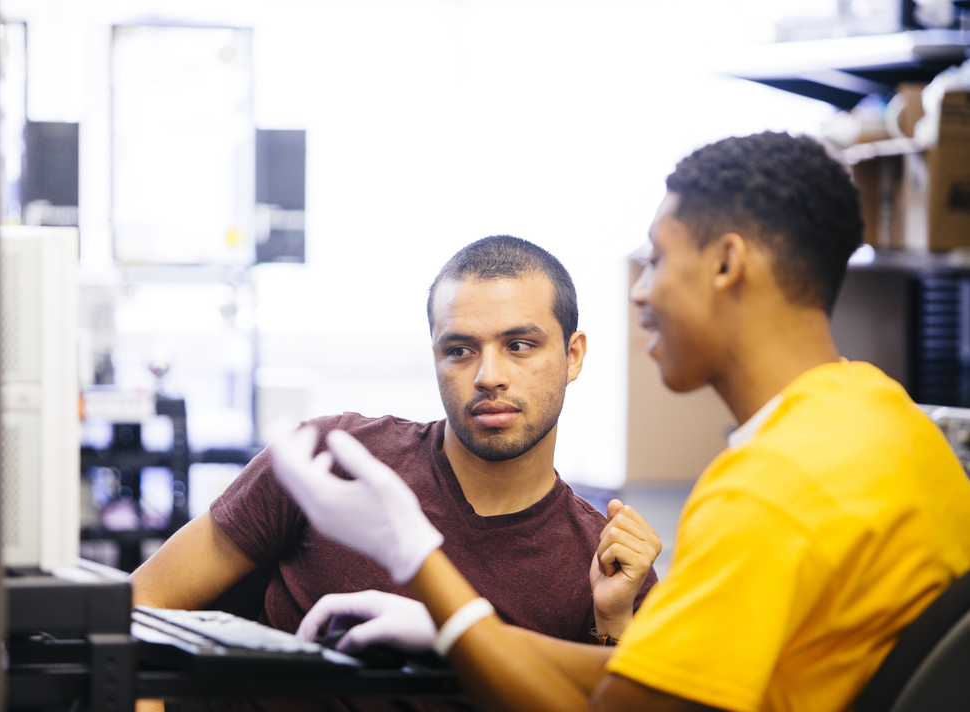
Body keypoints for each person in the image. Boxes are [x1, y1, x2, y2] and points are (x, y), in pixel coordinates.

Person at [270, 131, 970, 712]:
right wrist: (459, 634)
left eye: (659, 258)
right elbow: (644, 681)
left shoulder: (770, 492)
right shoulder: (891, 426)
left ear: (726, 264)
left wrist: (418, 562)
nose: (640, 290)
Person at [131, 236, 661, 712]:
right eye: (459, 350)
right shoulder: (331, 461)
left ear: (573, 355)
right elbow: (138, 606)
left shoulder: (606, 565)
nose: (488, 376)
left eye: (519, 346)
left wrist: (613, 624)